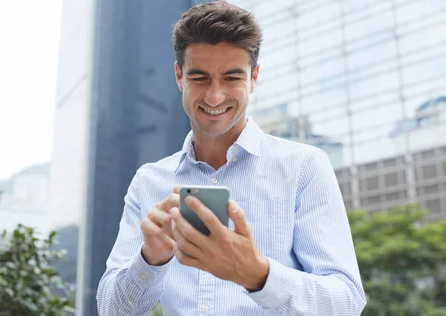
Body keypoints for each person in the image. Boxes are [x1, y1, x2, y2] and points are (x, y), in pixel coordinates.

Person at [96, 1, 366, 315]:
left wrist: (256, 273)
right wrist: (149, 259)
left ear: (254, 78)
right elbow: (111, 310)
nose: (214, 96)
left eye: (232, 78)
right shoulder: (149, 181)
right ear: (179, 76)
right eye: (199, 78)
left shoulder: (304, 167)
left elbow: (347, 302)